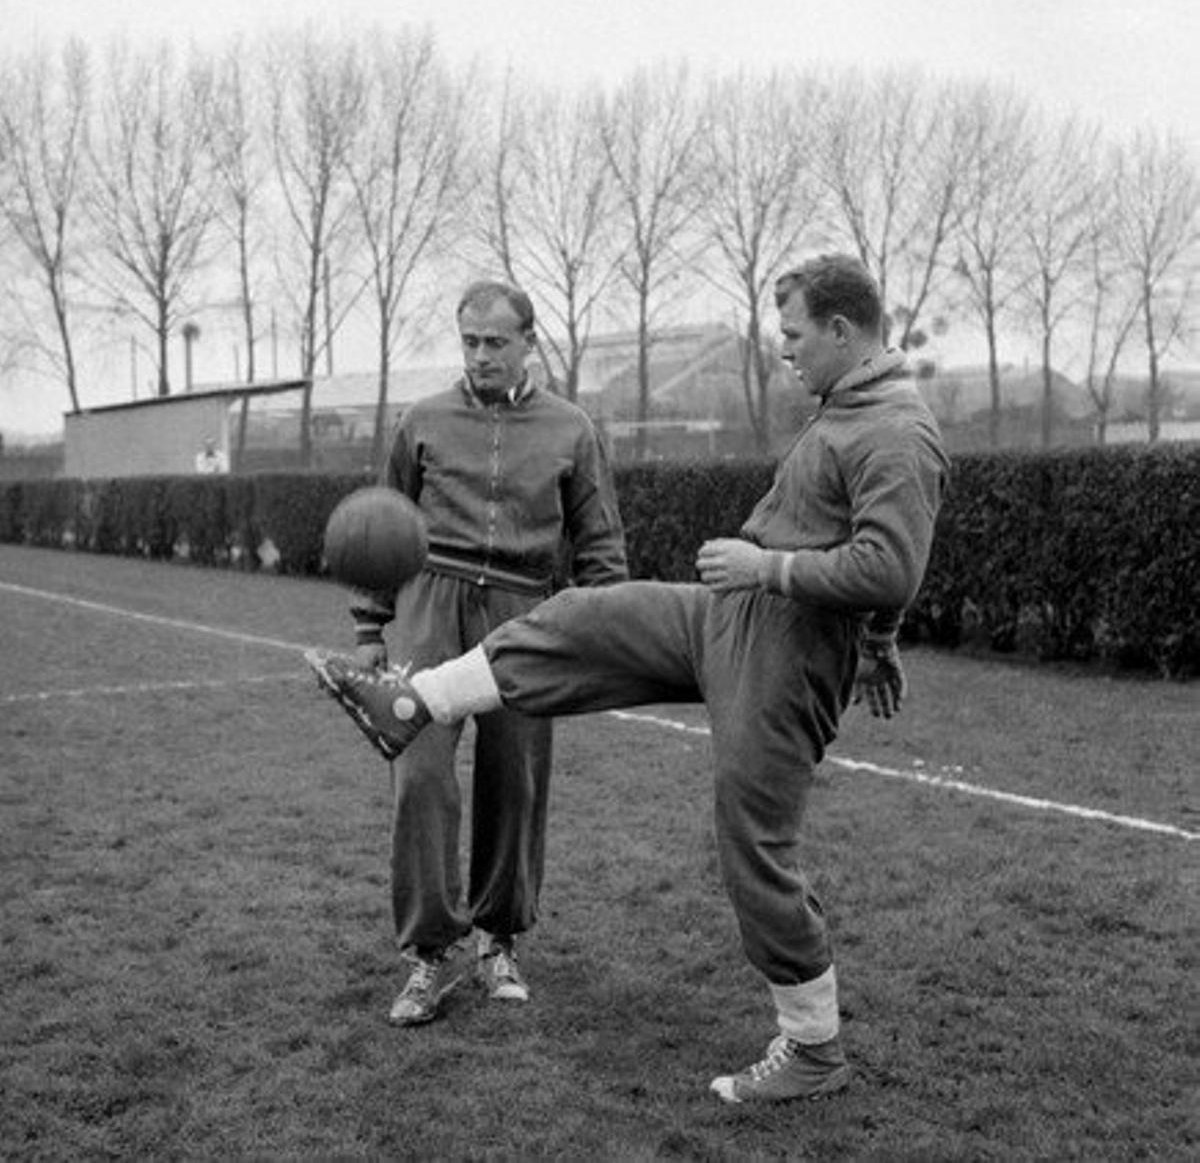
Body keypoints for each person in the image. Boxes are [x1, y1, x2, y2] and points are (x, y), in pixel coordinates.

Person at [306, 253, 949, 1101]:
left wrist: (771, 568)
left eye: (793, 335)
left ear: (841, 330)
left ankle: (813, 1049)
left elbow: (890, 565)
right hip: (728, 618)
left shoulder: (896, 430)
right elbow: (875, 556)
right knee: (583, 616)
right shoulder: (846, 404)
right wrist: (879, 641)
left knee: (752, 848)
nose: (784, 351)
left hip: (783, 653)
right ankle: (411, 701)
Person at [345, 280, 627, 1027]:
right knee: (422, 777)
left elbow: (600, 544)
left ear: (530, 342)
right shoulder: (423, 421)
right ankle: (428, 956)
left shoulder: (572, 428)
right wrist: (372, 627)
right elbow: (386, 522)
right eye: (468, 340)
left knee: (516, 779)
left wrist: (607, 636)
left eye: (494, 342)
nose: (479, 355)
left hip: (524, 612)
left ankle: (498, 938)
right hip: (428, 606)